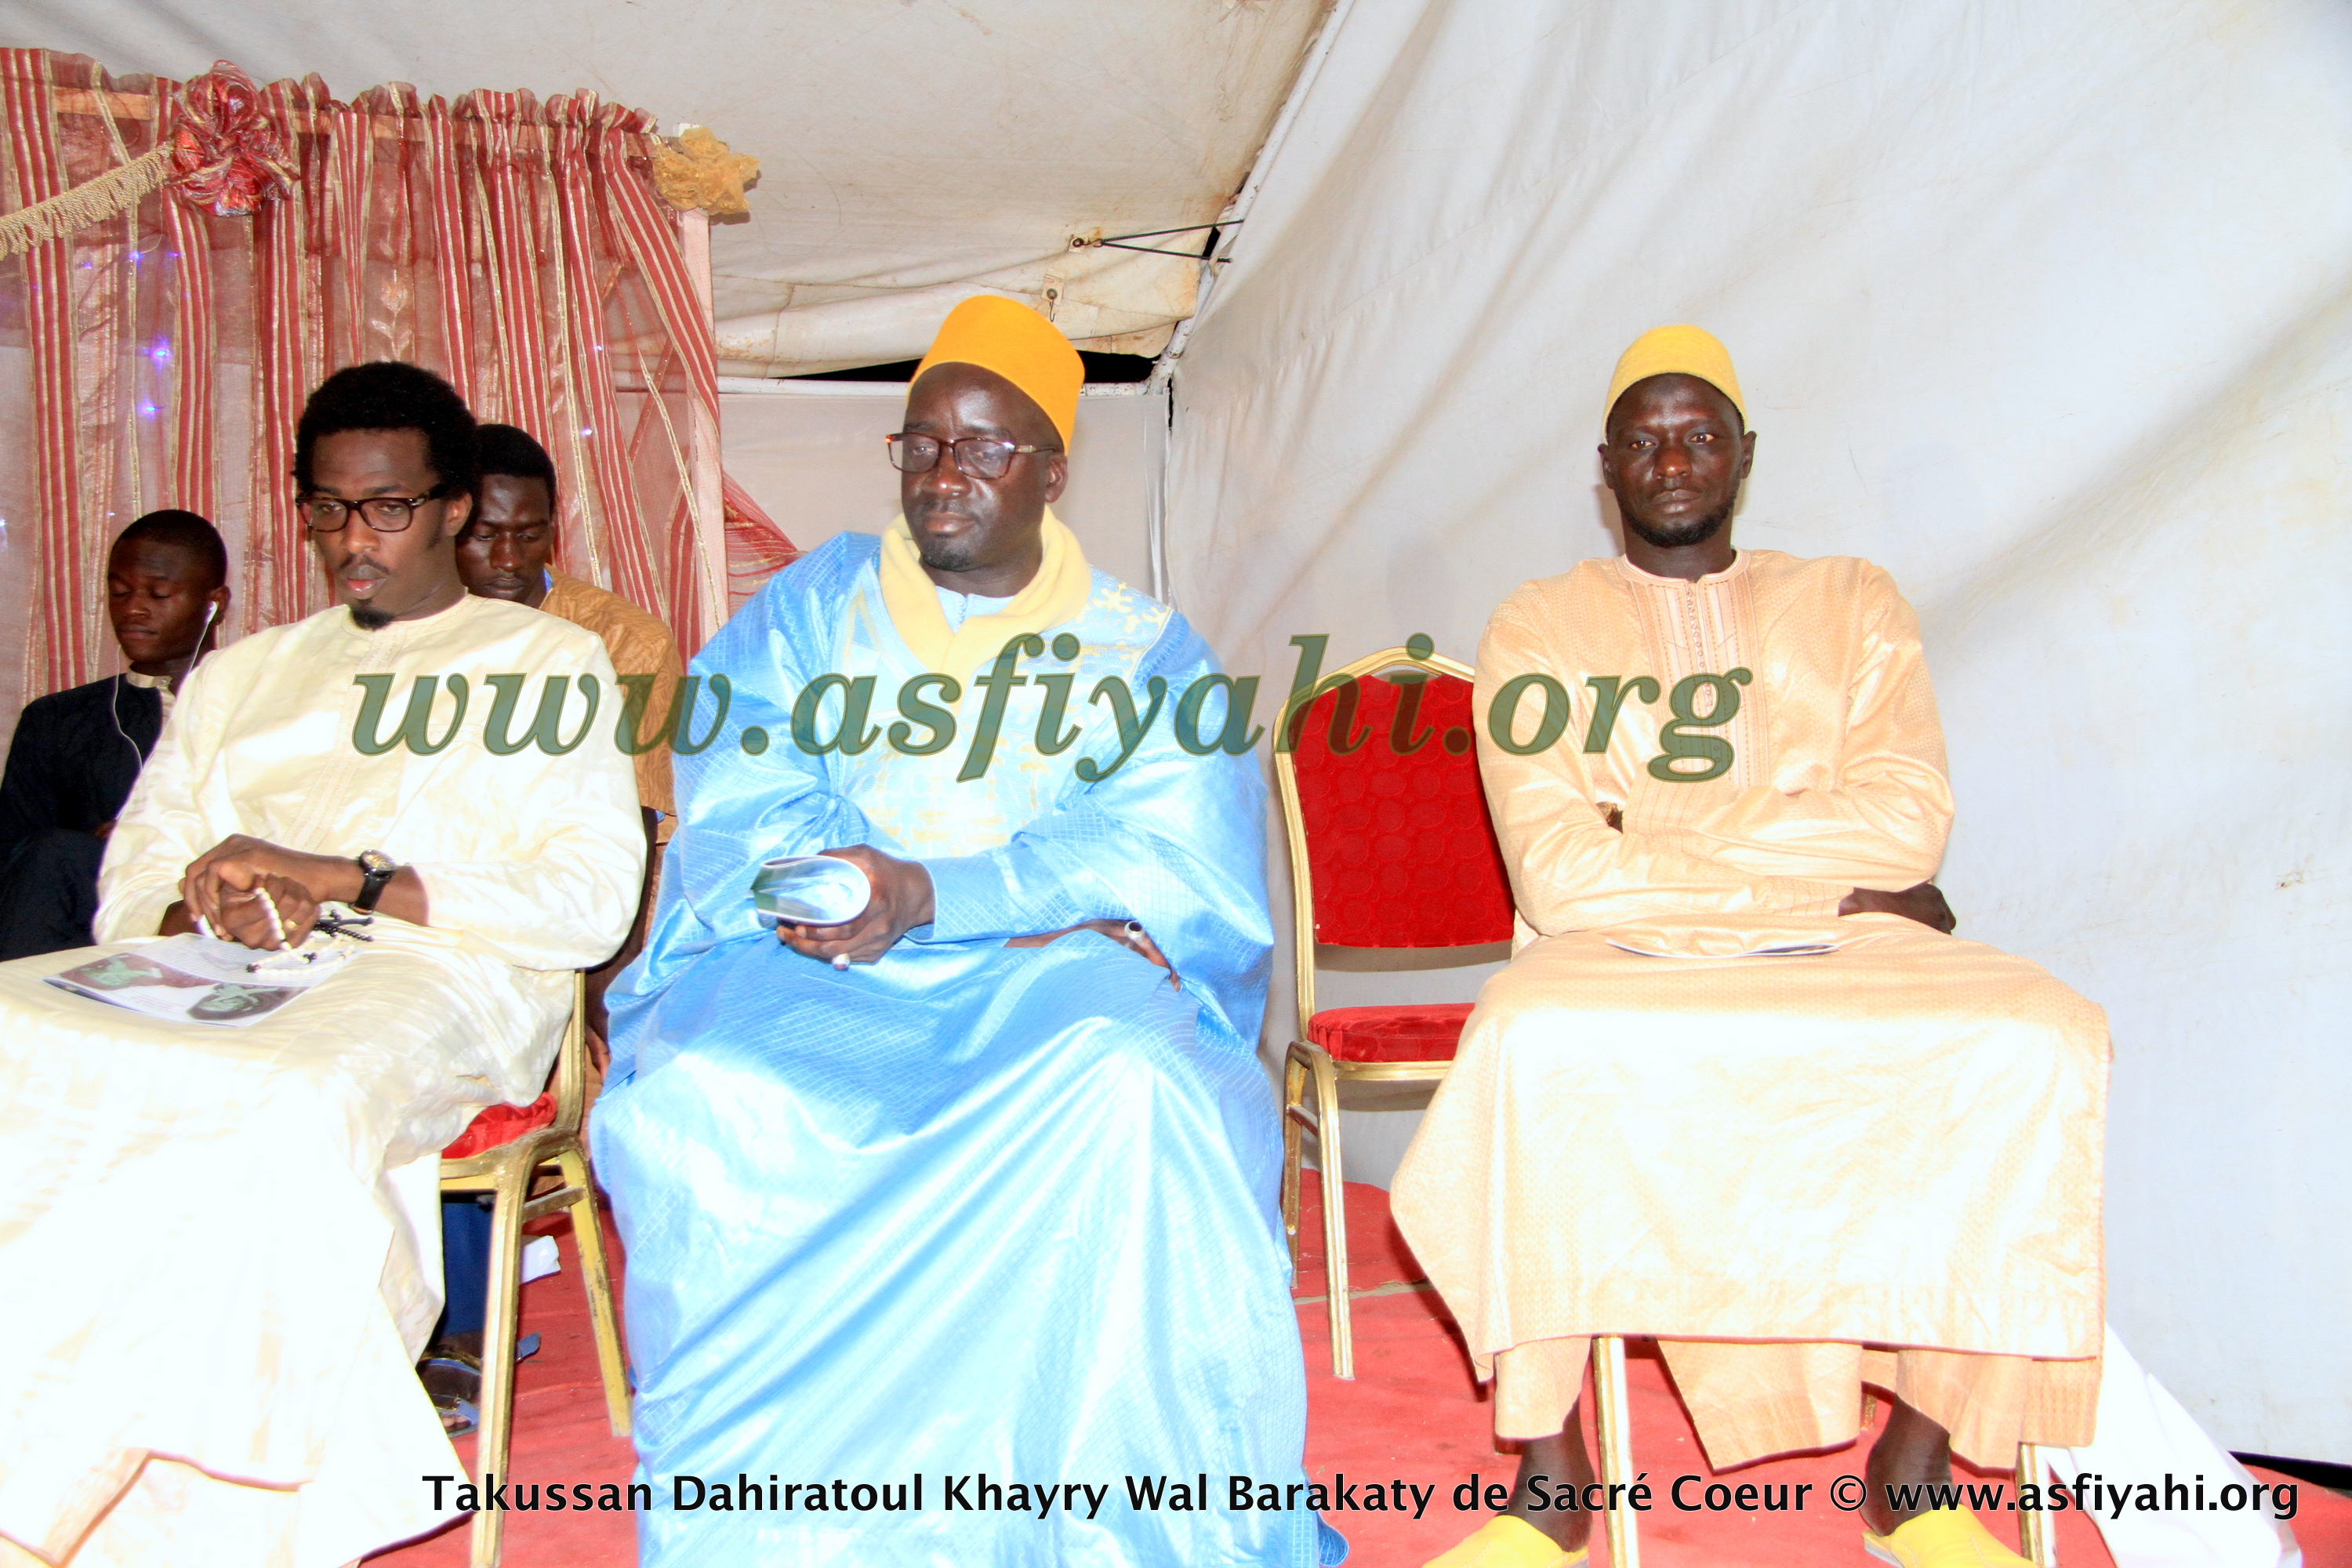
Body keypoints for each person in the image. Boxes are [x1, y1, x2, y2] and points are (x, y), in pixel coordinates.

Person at [592, 296, 1340, 1566]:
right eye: (923, 443)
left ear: (1052, 470)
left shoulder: (1143, 652)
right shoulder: (807, 613)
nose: (945, 474)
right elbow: (740, 800)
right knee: (707, 1091)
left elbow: (1167, 859)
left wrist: (947, 896)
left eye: (986, 447)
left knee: (1135, 1086)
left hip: (1045, 979)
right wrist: (848, 892)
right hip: (822, 963)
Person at [1399, 327, 2108, 1568]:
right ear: (1606, 467)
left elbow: (1912, 823)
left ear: (1746, 455)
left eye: (1700, 436)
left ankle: (1915, 1474)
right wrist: (1827, 870)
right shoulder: (1539, 624)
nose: (1673, 461)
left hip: (1842, 948)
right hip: (1623, 953)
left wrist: (1651, 825)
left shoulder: (1852, 601)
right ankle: (1554, 1480)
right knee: (1525, 1041)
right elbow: (1559, 875)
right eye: (1645, 440)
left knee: (2039, 1036)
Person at [0, 361, 644, 1566]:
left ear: (454, 507)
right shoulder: (243, 675)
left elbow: (590, 901)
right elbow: (135, 870)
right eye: (329, 508)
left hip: (440, 972)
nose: (354, 538)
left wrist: (347, 879)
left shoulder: (545, 664)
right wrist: (198, 905)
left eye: (388, 507)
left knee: (286, 1095)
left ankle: (223, 1505)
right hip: (216, 970)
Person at [427, 422, 685, 1428]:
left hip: (583, 940)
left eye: (528, 533)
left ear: (553, 529)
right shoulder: (411, 637)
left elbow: (636, 844)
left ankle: (461, 1333)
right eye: (484, 534)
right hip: (439, 930)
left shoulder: (623, 644)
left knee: (473, 1045)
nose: (506, 556)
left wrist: (596, 992)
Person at [0, 510, 229, 960]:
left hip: (214, 906)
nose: (132, 609)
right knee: (53, 853)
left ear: (214, 604)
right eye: (119, 592)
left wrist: (147, 834)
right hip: (80, 922)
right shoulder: (57, 719)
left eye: (158, 593)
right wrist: (97, 846)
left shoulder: (255, 707)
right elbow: (14, 857)